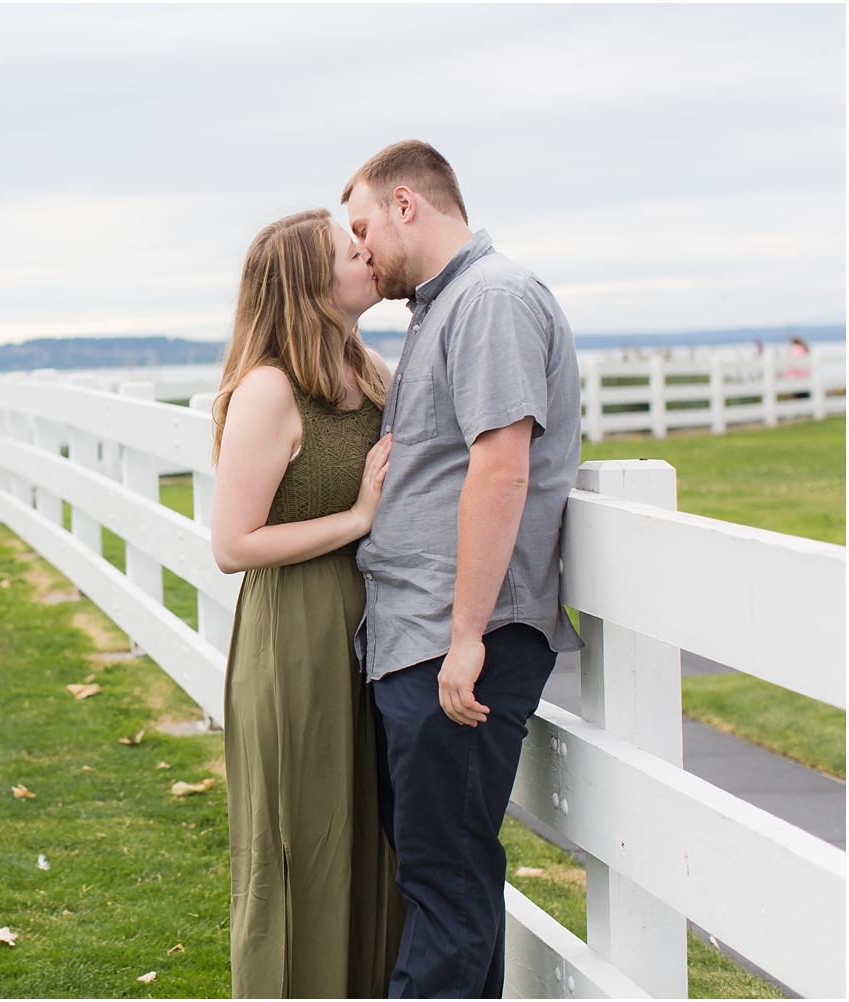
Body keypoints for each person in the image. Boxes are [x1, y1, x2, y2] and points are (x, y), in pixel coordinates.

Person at [341, 141, 583, 998]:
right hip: (423, 635)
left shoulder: (492, 298)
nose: (361, 249)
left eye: (364, 226)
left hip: (457, 642)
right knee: (446, 881)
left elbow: (501, 467)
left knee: (443, 883)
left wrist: (466, 636)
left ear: (408, 204)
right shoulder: (443, 309)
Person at [210, 207, 405, 998]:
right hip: (296, 637)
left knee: (370, 844)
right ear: (303, 282)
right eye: (346, 249)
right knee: (302, 847)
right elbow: (233, 545)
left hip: (373, 632)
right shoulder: (268, 389)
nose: (366, 253)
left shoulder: (370, 369)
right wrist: (357, 518)